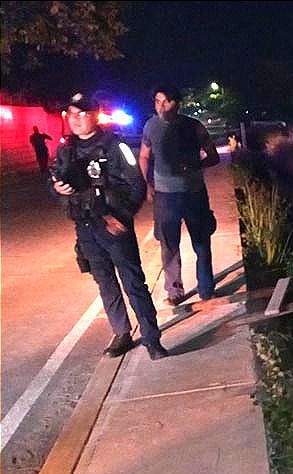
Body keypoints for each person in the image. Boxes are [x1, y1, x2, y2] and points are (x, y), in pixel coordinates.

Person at [52, 92, 169, 360]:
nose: (77, 120)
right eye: (72, 115)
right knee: (105, 282)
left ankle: (152, 338)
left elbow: (137, 185)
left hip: (114, 226)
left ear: (95, 115)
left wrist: (122, 215)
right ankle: (122, 333)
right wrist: (59, 188)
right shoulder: (65, 150)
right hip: (85, 227)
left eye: (82, 114)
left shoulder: (115, 146)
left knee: (133, 282)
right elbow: (56, 184)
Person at [139, 85, 220, 305]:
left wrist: (196, 164)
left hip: (194, 193)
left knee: (202, 242)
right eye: (157, 101)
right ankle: (174, 291)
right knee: (168, 246)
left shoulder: (193, 126)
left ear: (177, 103)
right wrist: (147, 184)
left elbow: (214, 157)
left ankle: (206, 287)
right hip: (165, 197)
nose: (161, 106)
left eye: (166, 101)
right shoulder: (151, 126)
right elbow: (144, 156)